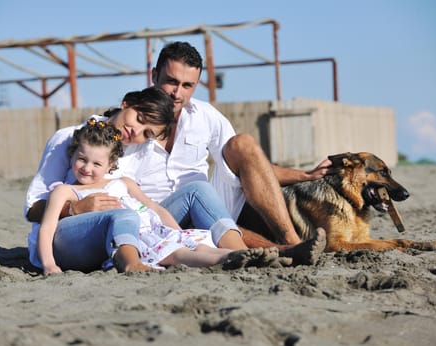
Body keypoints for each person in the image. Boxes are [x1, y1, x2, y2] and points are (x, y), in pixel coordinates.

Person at [26, 86, 282, 273]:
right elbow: (33, 208)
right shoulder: (70, 139)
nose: (136, 131)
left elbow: (150, 202)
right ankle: (133, 262)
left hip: (135, 223)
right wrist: (73, 208)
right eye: (138, 118)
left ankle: (240, 254)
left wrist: (180, 236)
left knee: (197, 190)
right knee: (125, 217)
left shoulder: (140, 148)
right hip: (75, 232)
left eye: (146, 132)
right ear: (126, 103)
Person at [116, 41, 329, 264]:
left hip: (206, 205)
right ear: (154, 75)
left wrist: (305, 176)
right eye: (171, 82)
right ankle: (282, 252)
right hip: (157, 216)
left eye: (188, 85)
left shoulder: (204, 115)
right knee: (202, 197)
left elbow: (255, 165)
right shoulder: (131, 124)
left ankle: (291, 241)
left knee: (243, 144)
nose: (177, 93)